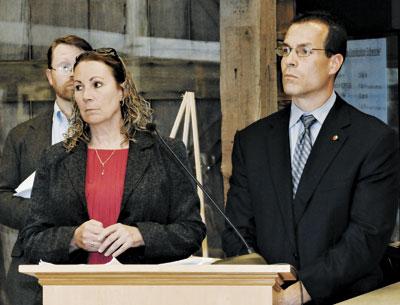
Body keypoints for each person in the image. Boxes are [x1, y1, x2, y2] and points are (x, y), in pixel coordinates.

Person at [222, 11, 399, 305]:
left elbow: (367, 235)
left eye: (304, 51)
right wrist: (264, 285)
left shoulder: (373, 140)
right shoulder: (252, 140)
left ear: (334, 62)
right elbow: (236, 229)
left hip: (346, 297)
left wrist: (305, 289)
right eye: (286, 50)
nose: (289, 60)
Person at [20, 48, 205, 270]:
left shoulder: (165, 152)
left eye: (96, 84)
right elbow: (31, 239)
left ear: (122, 90)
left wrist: (140, 235)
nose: (86, 95)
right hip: (75, 294)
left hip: (145, 292)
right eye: (79, 87)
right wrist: (73, 238)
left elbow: (192, 231)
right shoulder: (56, 158)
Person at [0, 35, 92, 305]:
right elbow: (1, 196)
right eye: (64, 66)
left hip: (96, 266)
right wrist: (45, 212)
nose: (73, 73)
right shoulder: (22, 135)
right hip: (32, 272)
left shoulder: (112, 132)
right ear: (49, 76)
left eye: (80, 64)